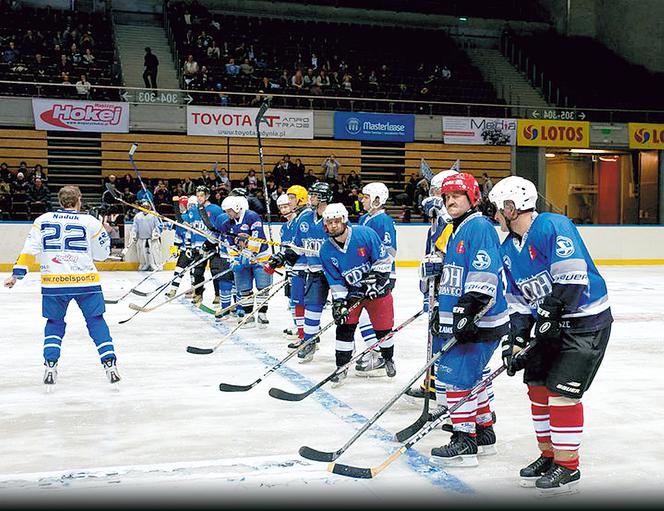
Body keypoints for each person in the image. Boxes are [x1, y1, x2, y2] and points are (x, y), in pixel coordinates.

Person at [489, 176, 612, 494]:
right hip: (553, 324)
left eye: (497, 208)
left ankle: (568, 466)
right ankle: (549, 456)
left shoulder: (553, 225)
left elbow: (571, 275)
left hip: (585, 324)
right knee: (537, 388)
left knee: (562, 394)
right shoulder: (507, 249)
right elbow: (517, 301)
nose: (494, 215)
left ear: (511, 207)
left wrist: (549, 316)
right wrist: (516, 339)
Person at [426, 172, 509, 467]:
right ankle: (484, 432)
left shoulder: (479, 227)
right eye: (447, 197)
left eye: (457, 196)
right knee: (474, 376)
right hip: (465, 317)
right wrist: (443, 311)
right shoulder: (458, 228)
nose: (450, 201)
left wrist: (465, 311)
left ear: (472, 198)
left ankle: (465, 440)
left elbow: (484, 271)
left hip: (479, 320)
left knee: (456, 378)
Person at [3, 185, 120, 387]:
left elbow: (29, 249)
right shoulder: (90, 221)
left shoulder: (43, 220)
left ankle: (50, 365)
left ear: (60, 201)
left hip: (54, 282)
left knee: (54, 322)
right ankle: (110, 364)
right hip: (86, 282)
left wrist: (16, 274)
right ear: (78, 200)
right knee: (96, 321)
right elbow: (102, 254)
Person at [320, 203, 396, 385]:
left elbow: (383, 259)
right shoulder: (326, 250)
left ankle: (387, 358)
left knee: (383, 329)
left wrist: (376, 281)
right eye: (329, 222)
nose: (333, 225)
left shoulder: (365, 234)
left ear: (344, 220)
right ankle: (341, 366)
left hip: (377, 292)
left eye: (336, 221)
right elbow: (336, 281)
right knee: (344, 327)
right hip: (353, 293)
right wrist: (339, 303)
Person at [264, 182, 332, 360]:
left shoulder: (333, 217)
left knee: (346, 315)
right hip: (315, 271)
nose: (311, 198)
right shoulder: (304, 218)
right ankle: (309, 341)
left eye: (315, 195)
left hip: (335, 271)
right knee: (312, 307)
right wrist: (281, 258)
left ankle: (351, 350)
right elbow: (297, 247)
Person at [353, 182, 397, 376]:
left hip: (381, 276)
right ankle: (375, 350)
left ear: (377, 200)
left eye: (366, 197)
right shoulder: (363, 218)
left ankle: (378, 352)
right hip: (363, 276)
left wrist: (378, 274)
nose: (362, 200)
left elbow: (389, 251)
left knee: (374, 316)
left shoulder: (384, 221)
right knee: (362, 314)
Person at [219, 195, 272, 328]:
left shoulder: (251, 216)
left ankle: (262, 314)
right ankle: (248, 316)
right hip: (242, 259)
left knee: (262, 287)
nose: (227, 213)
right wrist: (234, 259)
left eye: (229, 210)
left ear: (237, 208)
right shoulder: (227, 224)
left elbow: (257, 237)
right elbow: (229, 244)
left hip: (260, 257)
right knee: (244, 288)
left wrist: (249, 254)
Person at [187, 186, 227, 305]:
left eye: (201, 196)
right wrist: (191, 246)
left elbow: (220, 227)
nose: (199, 198)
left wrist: (216, 242)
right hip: (198, 247)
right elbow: (192, 229)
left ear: (207, 196)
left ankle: (218, 295)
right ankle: (198, 294)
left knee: (216, 271)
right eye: (197, 195)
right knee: (198, 272)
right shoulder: (194, 210)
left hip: (213, 245)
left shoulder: (215, 209)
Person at [165, 196, 193, 298]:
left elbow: (178, 237)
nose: (180, 207)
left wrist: (175, 250)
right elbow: (178, 235)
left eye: (182, 205)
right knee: (184, 270)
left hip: (190, 249)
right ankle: (175, 290)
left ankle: (189, 290)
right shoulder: (184, 218)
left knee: (188, 271)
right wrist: (175, 249)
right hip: (188, 249)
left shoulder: (185, 218)